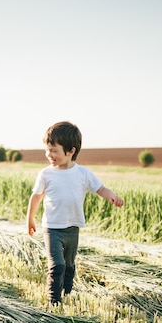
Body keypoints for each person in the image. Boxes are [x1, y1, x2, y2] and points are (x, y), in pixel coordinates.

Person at [26, 121, 124, 304]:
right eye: (47, 150)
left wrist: (112, 196)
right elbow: (36, 197)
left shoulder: (83, 173)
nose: (49, 154)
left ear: (71, 151)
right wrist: (30, 219)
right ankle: (53, 301)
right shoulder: (45, 174)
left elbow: (100, 189)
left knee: (69, 265)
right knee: (57, 265)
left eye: (54, 150)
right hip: (52, 228)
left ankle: (67, 294)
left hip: (73, 227)